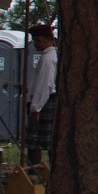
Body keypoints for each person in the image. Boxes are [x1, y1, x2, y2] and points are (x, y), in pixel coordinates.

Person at [24, 23, 58, 165]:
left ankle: (34, 171)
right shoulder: (51, 55)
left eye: (37, 40)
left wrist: (35, 109)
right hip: (46, 101)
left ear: (46, 39)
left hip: (44, 102)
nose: (35, 44)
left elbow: (44, 85)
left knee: (33, 142)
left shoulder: (48, 59)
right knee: (50, 141)